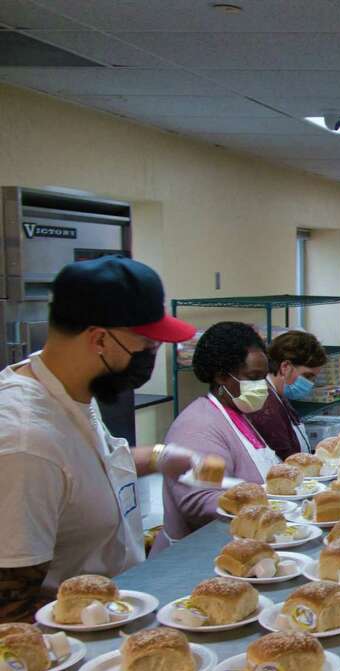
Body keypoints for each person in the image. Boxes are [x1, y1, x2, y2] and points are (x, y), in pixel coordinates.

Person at [0, 255, 198, 622]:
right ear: (100, 339)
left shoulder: (68, 392)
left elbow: (84, 468)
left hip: (119, 614)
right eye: (148, 343)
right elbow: (10, 610)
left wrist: (158, 456)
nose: (151, 353)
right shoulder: (25, 442)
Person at [162, 322, 281, 543]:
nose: (262, 386)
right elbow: (199, 501)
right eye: (253, 377)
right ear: (221, 376)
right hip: (202, 553)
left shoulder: (238, 413)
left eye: (264, 377)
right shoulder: (196, 426)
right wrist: (272, 505)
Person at [247, 330, 327, 460]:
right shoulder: (265, 406)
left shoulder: (278, 394)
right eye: (307, 376)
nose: (310, 384)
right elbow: (285, 458)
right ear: (285, 366)